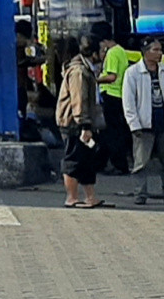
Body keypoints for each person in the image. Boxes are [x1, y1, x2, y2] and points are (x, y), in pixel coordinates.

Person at [120, 42, 164, 206]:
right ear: (145, 52)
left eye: (160, 50)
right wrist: (134, 124)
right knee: (141, 163)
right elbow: (128, 101)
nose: (159, 53)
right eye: (155, 50)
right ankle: (140, 194)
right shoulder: (133, 73)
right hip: (144, 126)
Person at [55, 36, 106, 208]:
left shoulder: (87, 69)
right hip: (74, 124)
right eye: (101, 50)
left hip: (83, 123)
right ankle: (71, 197)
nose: (104, 54)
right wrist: (85, 125)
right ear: (93, 53)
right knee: (73, 160)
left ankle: (90, 197)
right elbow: (79, 100)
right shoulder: (79, 71)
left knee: (87, 160)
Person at [95, 33, 134, 176]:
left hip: (110, 94)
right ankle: (100, 162)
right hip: (119, 94)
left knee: (112, 133)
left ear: (104, 41)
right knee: (109, 132)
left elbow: (112, 76)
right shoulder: (121, 51)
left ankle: (119, 164)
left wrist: (96, 79)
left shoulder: (111, 53)